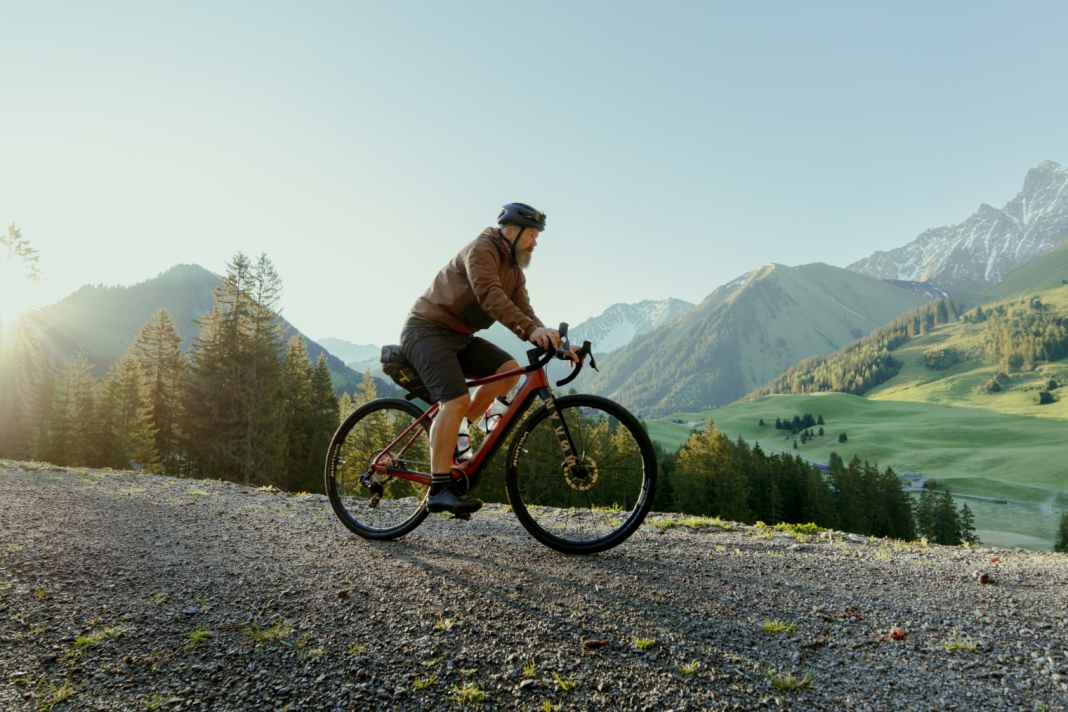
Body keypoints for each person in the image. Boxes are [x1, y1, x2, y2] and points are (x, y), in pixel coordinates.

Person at [399, 202, 577, 516]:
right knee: (455, 400)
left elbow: (524, 309)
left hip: (459, 336)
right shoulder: (482, 250)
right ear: (511, 231)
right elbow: (490, 295)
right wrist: (530, 330)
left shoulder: (514, 269)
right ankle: (439, 489)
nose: (535, 242)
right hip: (426, 331)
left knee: (509, 370)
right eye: (532, 235)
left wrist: (554, 342)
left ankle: (461, 430)